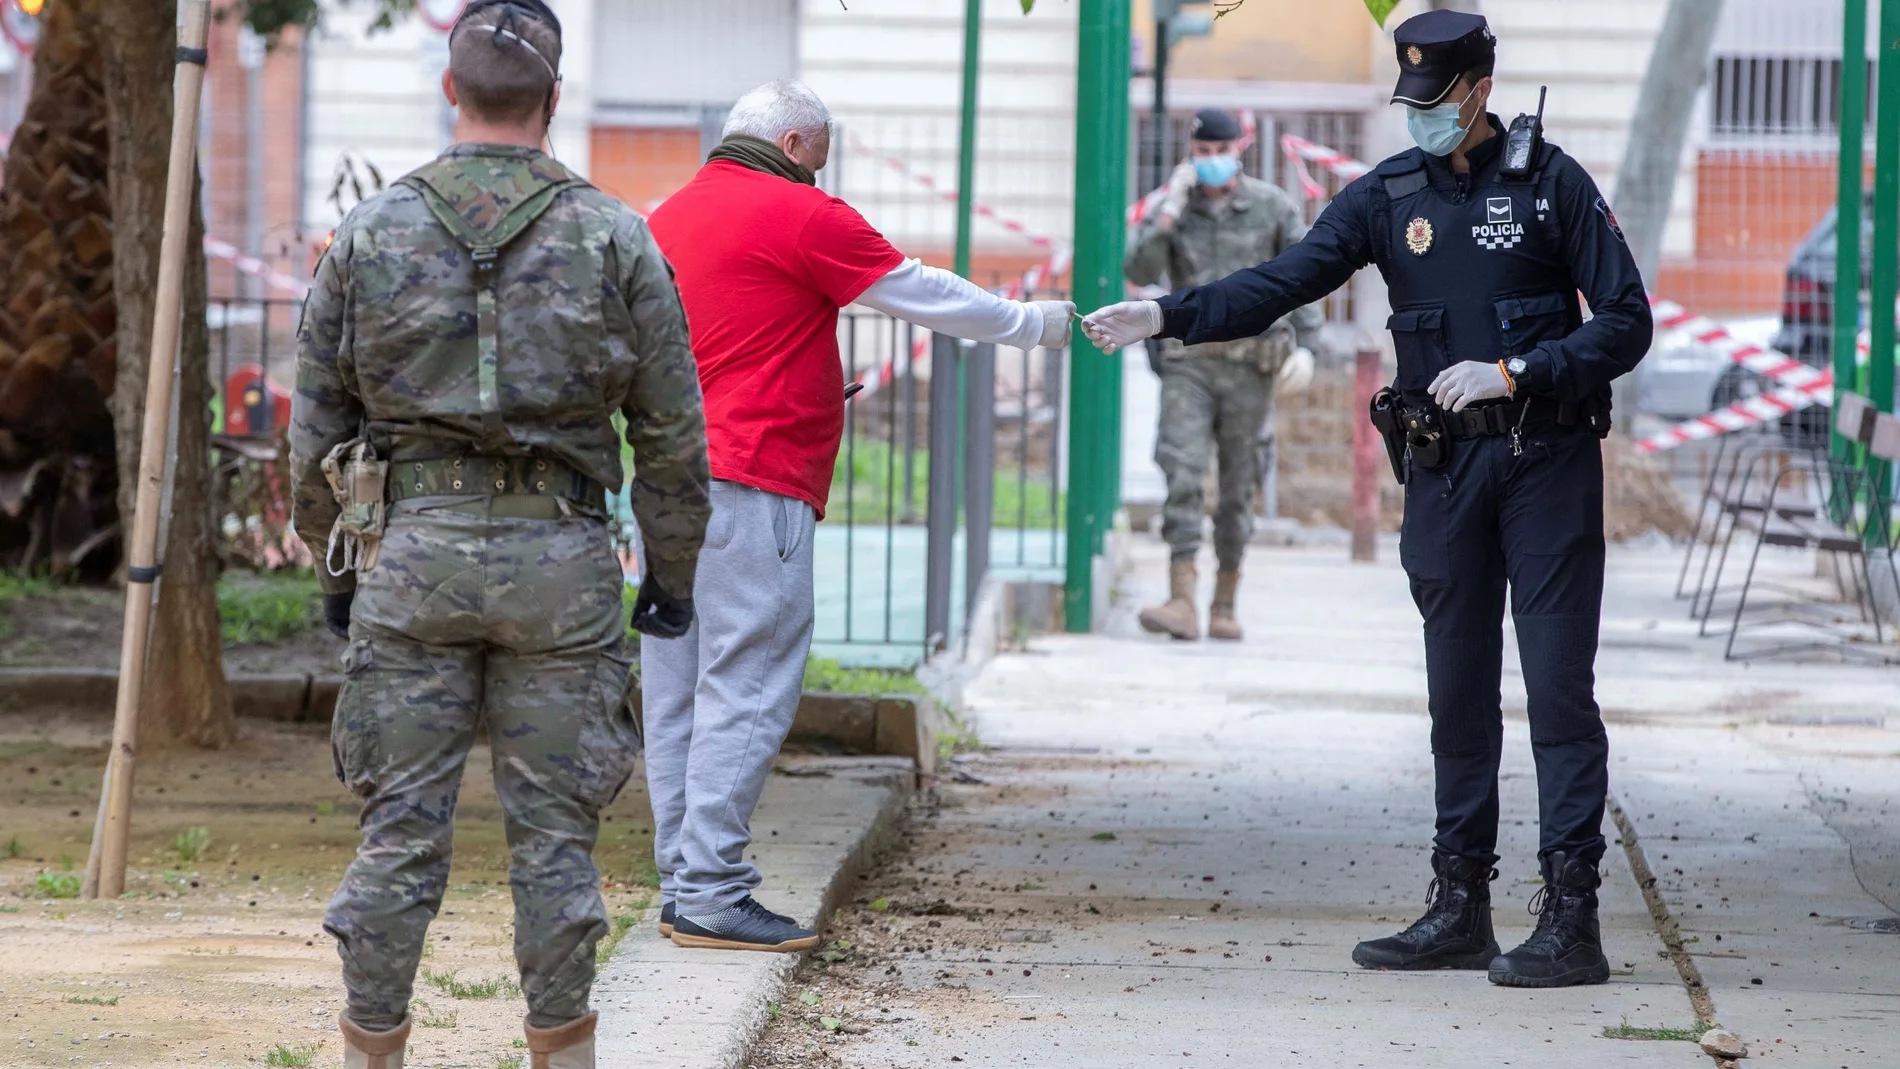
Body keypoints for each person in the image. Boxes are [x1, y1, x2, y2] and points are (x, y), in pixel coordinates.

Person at [1081, 9, 1650, 989]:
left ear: (1476, 87)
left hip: (1544, 461)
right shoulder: (1385, 197)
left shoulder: (1551, 185)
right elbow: (1285, 281)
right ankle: (1459, 903)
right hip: (1442, 472)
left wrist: (1521, 368)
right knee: (1455, 695)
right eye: (1409, 100)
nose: (1419, 117)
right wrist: (1167, 314)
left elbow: (1627, 322)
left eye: (1434, 100)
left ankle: (1571, 917)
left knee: (1556, 690)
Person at [290, 3, 711, 1066]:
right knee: (558, 841)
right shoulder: (616, 234)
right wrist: (670, 577)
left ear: (451, 92)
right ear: (555, 101)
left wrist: (333, 562)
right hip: (561, 569)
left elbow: (316, 426)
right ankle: (562, 1053)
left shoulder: (372, 231)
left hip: (413, 562)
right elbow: (670, 434)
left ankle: (369, 1050)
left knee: (397, 835)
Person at [642, 79, 1074, 954]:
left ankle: (683, 880)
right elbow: (922, 293)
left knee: (677, 688)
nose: (819, 175)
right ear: (797, 142)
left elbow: (709, 341)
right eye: (820, 159)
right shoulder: (805, 214)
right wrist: (1035, 326)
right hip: (755, 479)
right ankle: (715, 891)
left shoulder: (664, 217)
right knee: (748, 680)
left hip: (663, 486)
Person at [1124, 108, 1322, 642]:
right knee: (1182, 472)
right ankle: (1182, 599)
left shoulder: (1271, 207)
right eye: (1201, 152)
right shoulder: (1177, 208)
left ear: (1238, 150)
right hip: (1188, 364)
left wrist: (1309, 345)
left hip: (1250, 369)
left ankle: (1225, 602)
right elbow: (1138, 270)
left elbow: (1306, 274)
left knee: (1238, 488)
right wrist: (1167, 210)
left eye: (1219, 151)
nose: (1210, 161)